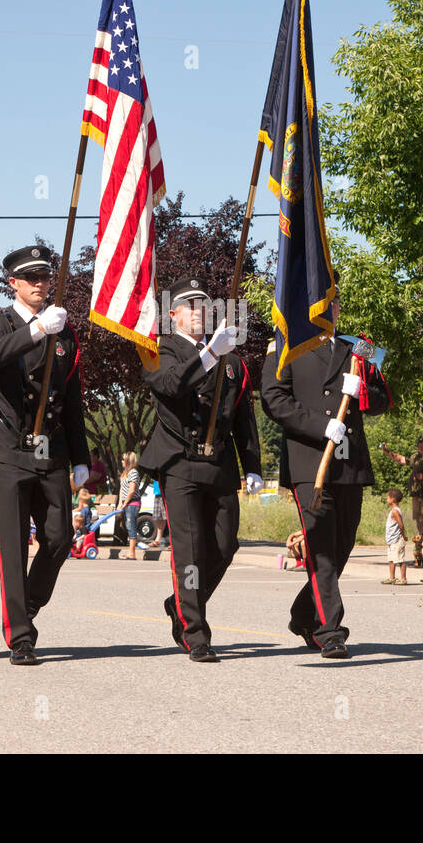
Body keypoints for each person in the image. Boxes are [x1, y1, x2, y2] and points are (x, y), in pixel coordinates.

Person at [261, 280, 390, 659]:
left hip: (349, 461)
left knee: (341, 548)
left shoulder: (357, 347)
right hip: (309, 462)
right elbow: (273, 399)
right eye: (323, 304)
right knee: (319, 549)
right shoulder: (284, 345)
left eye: (334, 305)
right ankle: (330, 629)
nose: (331, 310)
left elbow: (383, 398)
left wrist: (363, 387)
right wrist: (320, 425)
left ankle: (304, 614)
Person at [0, 246, 90, 666]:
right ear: (14, 284)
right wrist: (38, 329)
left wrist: (82, 456)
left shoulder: (66, 331)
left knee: (60, 537)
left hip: (50, 449)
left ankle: (28, 600)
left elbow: (72, 398)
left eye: (45, 277)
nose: (41, 284)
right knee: (13, 544)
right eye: (32, 278)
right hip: (8, 448)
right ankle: (20, 635)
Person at [140, 276, 263, 663]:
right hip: (179, 463)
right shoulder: (159, 350)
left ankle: (181, 603)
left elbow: (243, 417)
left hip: (220, 464)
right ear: (173, 313)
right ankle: (195, 631)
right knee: (189, 552)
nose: (199, 312)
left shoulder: (233, 361)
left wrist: (253, 466)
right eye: (190, 306)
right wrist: (210, 353)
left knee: (225, 545)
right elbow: (174, 385)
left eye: (204, 305)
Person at [116, 452, 142, 560]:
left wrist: (125, 503)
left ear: (128, 461)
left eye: (123, 459)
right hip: (126, 503)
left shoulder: (133, 472)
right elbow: (122, 489)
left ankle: (132, 554)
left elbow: (131, 491)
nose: (121, 461)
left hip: (133, 503)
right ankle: (130, 552)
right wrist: (120, 503)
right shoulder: (124, 473)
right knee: (128, 526)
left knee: (131, 526)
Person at [382, 488, 407, 585]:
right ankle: (392, 577)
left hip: (397, 539)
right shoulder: (393, 510)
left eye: (388, 498)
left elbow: (401, 525)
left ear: (393, 499)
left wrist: (404, 535)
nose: (387, 499)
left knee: (400, 559)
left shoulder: (395, 511)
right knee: (391, 559)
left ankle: (403, 578)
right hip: (391, 539)